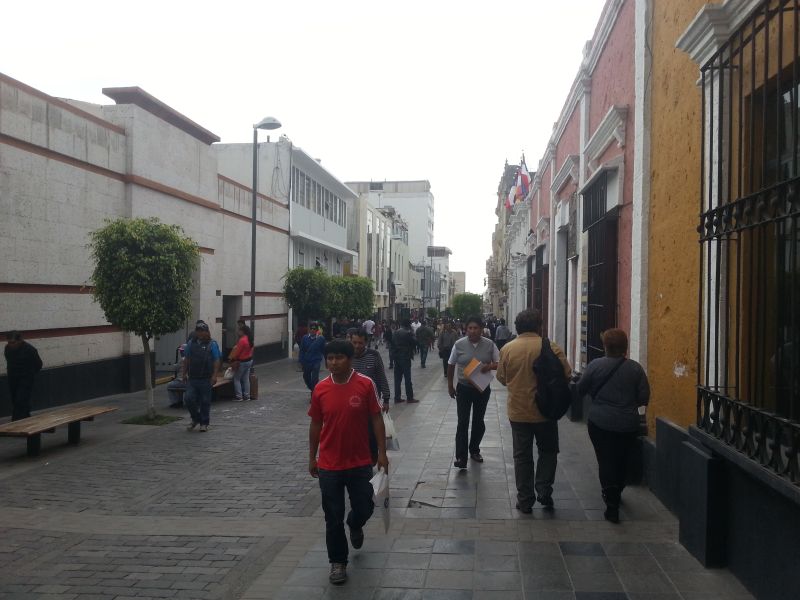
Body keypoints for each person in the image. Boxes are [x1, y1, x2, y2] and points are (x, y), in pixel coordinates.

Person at [308, 340, 388, 586]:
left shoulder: (365, 384)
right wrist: (313, 456)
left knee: (365, 506)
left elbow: (376, 419)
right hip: (330, 465)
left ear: (349, 359)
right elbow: (316, 425)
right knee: (332, 517)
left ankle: (355, 523)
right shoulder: (320, 389)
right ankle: (338, 562)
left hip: (360, 461)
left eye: (338, 358)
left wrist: (382, 453)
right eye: (329, 358)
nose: (333, 362)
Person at [496, 309, 571, 513]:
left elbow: (502, 378)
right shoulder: (551, 347)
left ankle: (525, 499)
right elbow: (567, 373)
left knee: (522, 456)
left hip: (518, 411)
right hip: (546, 411)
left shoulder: (508, 349)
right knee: (548, 451)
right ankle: (544, 490)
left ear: (518, 327)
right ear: (539, 325)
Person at [577, 328, 650, 523]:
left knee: (605, 459)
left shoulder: (595, 366)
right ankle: (616, 490)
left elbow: (581, 389)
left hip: (600, 422)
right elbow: (644, 398)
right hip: (628, 424)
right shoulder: (635, 369)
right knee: (622, 459)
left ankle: (611, 502)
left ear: (606, 346)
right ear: (624, 347)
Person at [447, 316, 499, 468]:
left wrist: (488, 367)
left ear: (481, 329)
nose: (472, 331)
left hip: (482, 389)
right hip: (464, 388)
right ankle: (461, 457)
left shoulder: (489, 344)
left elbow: (499, 362)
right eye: (470, 328)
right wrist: (450, 385)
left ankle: (474, 450)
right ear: (466, 329)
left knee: (478, 420)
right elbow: (451, 364)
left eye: (476, 328)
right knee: (462, 422)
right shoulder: (459, 344)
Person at [349, 329, 391, 464]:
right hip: (350, 404)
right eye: (354, 342)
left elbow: (381, 376)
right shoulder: (347, 356)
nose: (357, 346)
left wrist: (386, 398)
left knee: (371, 434)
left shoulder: (374, 355)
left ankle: (371, 460)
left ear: (366, 342)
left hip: (370, 403)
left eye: (360, 343)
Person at [182, 322, 221, 432]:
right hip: (193, 378)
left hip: (206, 378)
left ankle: (204, 423)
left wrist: (214, 375)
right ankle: (196, 418)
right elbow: (187, 359)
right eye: (198, 330)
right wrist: (184, 374)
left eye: (202, 330)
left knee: (205, 401)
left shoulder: (212, 344)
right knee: (188, 399)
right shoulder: (191, 343)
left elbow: (217, 360)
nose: (199, 333)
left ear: (206, 332)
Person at [3, 331, 43, 421]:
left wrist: (29, 374)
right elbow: (9, 361)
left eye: (13, 342)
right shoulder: (7, 349)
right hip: (13, 378)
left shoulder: (30, 350)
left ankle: (16, 421)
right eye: (9, 342)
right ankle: (25, 419)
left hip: (26, 378)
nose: (10, 345)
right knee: (15, 400)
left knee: (21, 400)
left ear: (20, 340)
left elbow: (39, 364)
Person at [391, 319, 418, 403]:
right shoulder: (408, 333)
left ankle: (397, 397)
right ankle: (409, 397)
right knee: (407, 378)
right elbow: (415, 342)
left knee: (397, 378)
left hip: (396, 356)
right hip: (405, 356)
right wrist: (413, 333)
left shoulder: (396, 332)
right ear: (408, 325)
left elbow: (392, 343)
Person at [228, 323, 254, 402]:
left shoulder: (242, 340)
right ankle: (247, 396)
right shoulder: (250, 339)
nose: (237, 332)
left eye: (239, 330)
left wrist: (232, 359)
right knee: (246, 379)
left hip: (241, 362)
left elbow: (237, 352)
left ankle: (239, 396)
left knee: (237, 379)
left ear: (243, 331)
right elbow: (252, 350)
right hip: (249, 360)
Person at [299, 323, 326, 395]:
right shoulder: (305, 338)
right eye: (311, 328)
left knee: (314, 379)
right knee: (306, 377)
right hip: (307, 361)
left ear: (317, 330)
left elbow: (324, 350)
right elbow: (302, 350)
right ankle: (313, 390)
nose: (312, 330)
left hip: (316, 361)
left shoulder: (320, 339)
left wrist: (327, 360)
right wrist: (301, 361)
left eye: (314, 329)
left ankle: (314, 394)